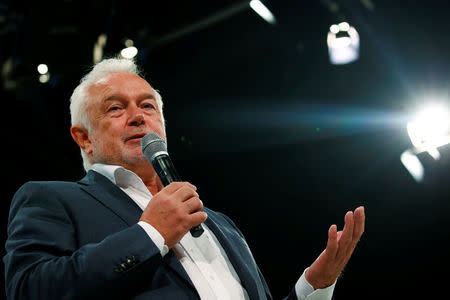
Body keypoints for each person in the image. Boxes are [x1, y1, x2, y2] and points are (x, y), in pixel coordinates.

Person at [3, 57, 365, 300]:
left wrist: (314, 288)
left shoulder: (220, 224)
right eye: (115, 108)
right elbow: (29, 289)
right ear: (83, 138)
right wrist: (151, 234)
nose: (137, 116)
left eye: (148, 106)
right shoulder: (51, 198)